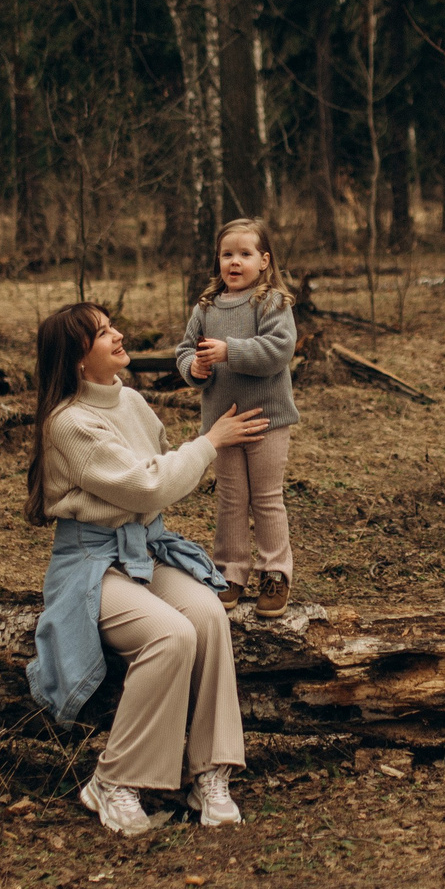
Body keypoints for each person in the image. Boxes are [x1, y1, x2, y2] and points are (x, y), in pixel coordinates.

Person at [25, 301, 268, 836]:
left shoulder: (132, 401)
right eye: (101, 333)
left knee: (207, 614)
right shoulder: (68, 424)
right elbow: (151, 484)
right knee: (170, 634)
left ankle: (208, 773)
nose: (116, 336)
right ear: (77, 359)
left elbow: (163, 470)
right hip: (91, 562)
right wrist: (208, 444)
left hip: (143, 548)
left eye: (112, 325)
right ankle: (113, 780)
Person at [174, 218, 301, 613]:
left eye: (245, 254)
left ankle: (275, 572)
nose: (235, 262)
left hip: (267, 421)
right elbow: (183, 350)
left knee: (265, 498)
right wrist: (193, 368)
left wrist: (231, 351)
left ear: (264, 261)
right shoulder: (206, 306)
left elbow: (280, 350)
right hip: (222, 424)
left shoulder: (271, 302)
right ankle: (230, 572)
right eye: (227, 254)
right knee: (230, 498)